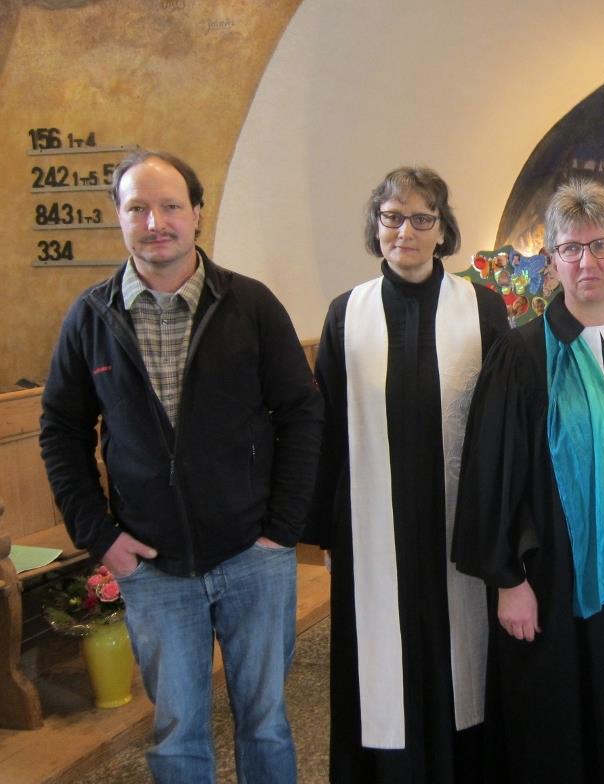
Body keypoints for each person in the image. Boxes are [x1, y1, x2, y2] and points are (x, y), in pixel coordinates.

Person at [39, 150, 322, 782]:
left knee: (266, 722)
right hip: (152, 564)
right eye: (137, 207)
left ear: (197, 213)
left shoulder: (249, 304)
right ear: (119, 217)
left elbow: (301, 414)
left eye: (170, 206)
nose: (155, 221)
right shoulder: (91, 317)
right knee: (176, 733)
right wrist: (100, 537)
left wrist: (282, 526)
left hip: (254, 554)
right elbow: (60, 430)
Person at [453, 178, 604, 783]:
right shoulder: (521, 357)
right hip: (557, 588)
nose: (587, 262)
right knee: (559, 729)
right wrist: (509, 579)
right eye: (570, 248)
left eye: (601, 245)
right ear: (552, 260)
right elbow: (492, 476)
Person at [301, 167, 509, 782]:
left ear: (443, 230)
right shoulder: (347, 314)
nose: (406, 231)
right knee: (381, 662)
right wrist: (329, 533)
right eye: (393, 217)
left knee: (460, 657)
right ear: (377, 226)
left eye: (423, 218)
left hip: (457, 522)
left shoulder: (483, 309)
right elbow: (324, 426)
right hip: (373, 527)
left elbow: (505, 428)